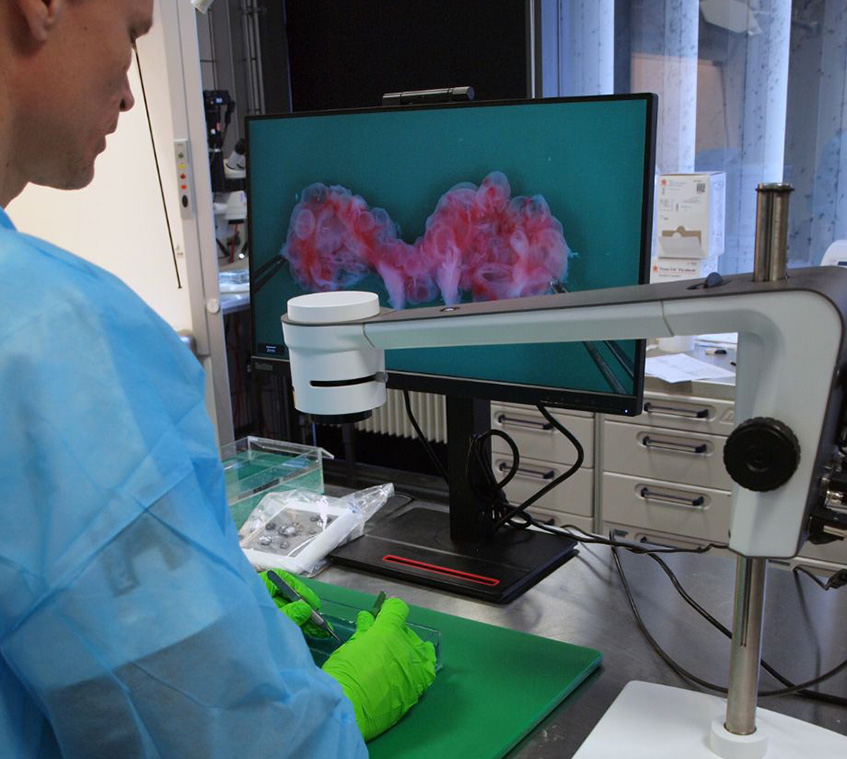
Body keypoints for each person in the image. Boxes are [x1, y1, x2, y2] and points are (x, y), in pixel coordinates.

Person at [0, 2, 435, 757]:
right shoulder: (40, 336)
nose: (133, 91)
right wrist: (331, 705)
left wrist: (218, 617)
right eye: (135, 33)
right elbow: (220, 735)